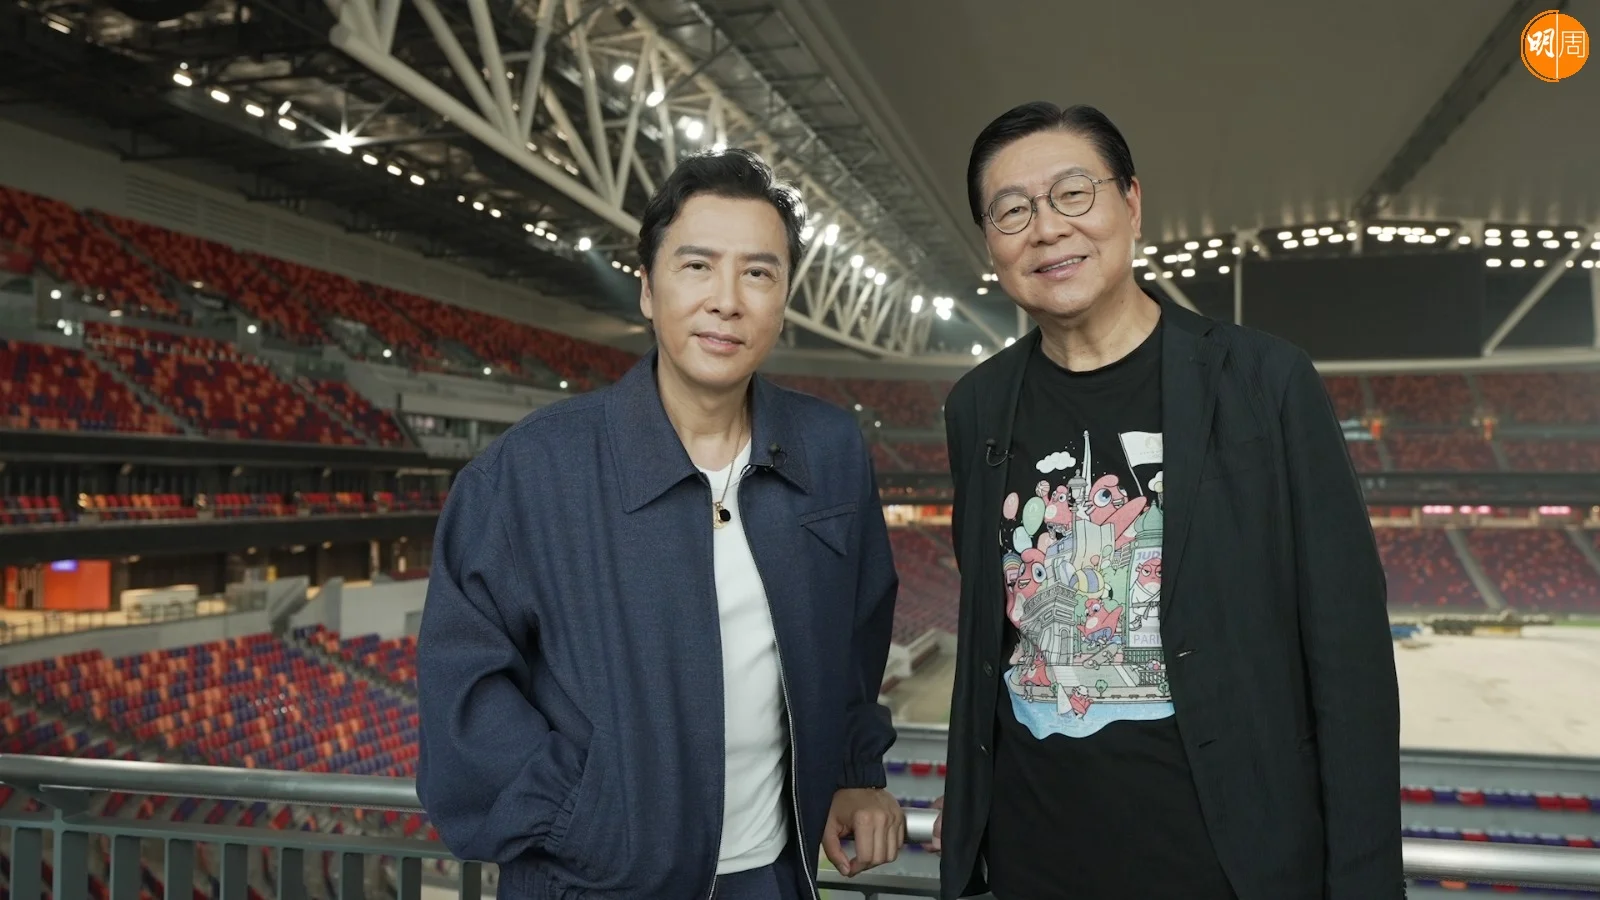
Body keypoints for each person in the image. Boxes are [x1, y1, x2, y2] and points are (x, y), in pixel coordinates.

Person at [929, 102, 1402, 900]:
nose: (1047, 228)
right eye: (1012, 210)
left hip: (1228, 867)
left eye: (1073, 193)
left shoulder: (1265, 383)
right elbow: (993, 636)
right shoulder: (976, 406)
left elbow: (1349, 657)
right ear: (990, 241)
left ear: (1132, 202)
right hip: (1034, 859)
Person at [415, 148, 906, 900]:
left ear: (783, 298)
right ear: (647, 288)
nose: (727, 300)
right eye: (697, 266)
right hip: (595, 884)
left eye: (759, 273)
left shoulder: (831, 450)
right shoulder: (530, 471)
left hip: (775, 876)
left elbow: (857, 633)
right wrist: (586, 823)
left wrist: (852, 772)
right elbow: (463, 687)